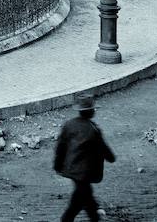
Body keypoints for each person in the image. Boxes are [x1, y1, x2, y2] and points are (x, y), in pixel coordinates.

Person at [53, 94, 115, 222]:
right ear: (91, 111)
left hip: (71, 168)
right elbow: (103, 148)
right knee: (77, 202)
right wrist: (111, 158)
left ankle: (94, 216)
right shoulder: (93, 130)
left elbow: (60, 146)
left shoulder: (69, 125)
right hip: (85, 172)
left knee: (85, 195)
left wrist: (57, 165)